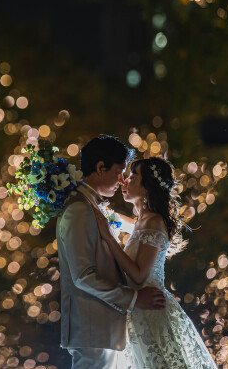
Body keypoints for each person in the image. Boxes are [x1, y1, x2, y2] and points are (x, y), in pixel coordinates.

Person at [89, 156, 217, 369]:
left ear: (147, 186)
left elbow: (138, 275)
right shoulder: (142, 221)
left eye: (132, 176)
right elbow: (117, 220)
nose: (124, 181)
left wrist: (109, 237)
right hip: (135, 310)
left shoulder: (154, 221)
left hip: (149, 312)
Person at [57, 135, 166, 369]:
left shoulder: (94, 208)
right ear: (100, 168)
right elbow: (83, 276)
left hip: (108, 329)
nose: (122, 180)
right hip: (93, 329)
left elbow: (140, 227)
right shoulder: (79, 210)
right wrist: (135, 299)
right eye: (119, 171)